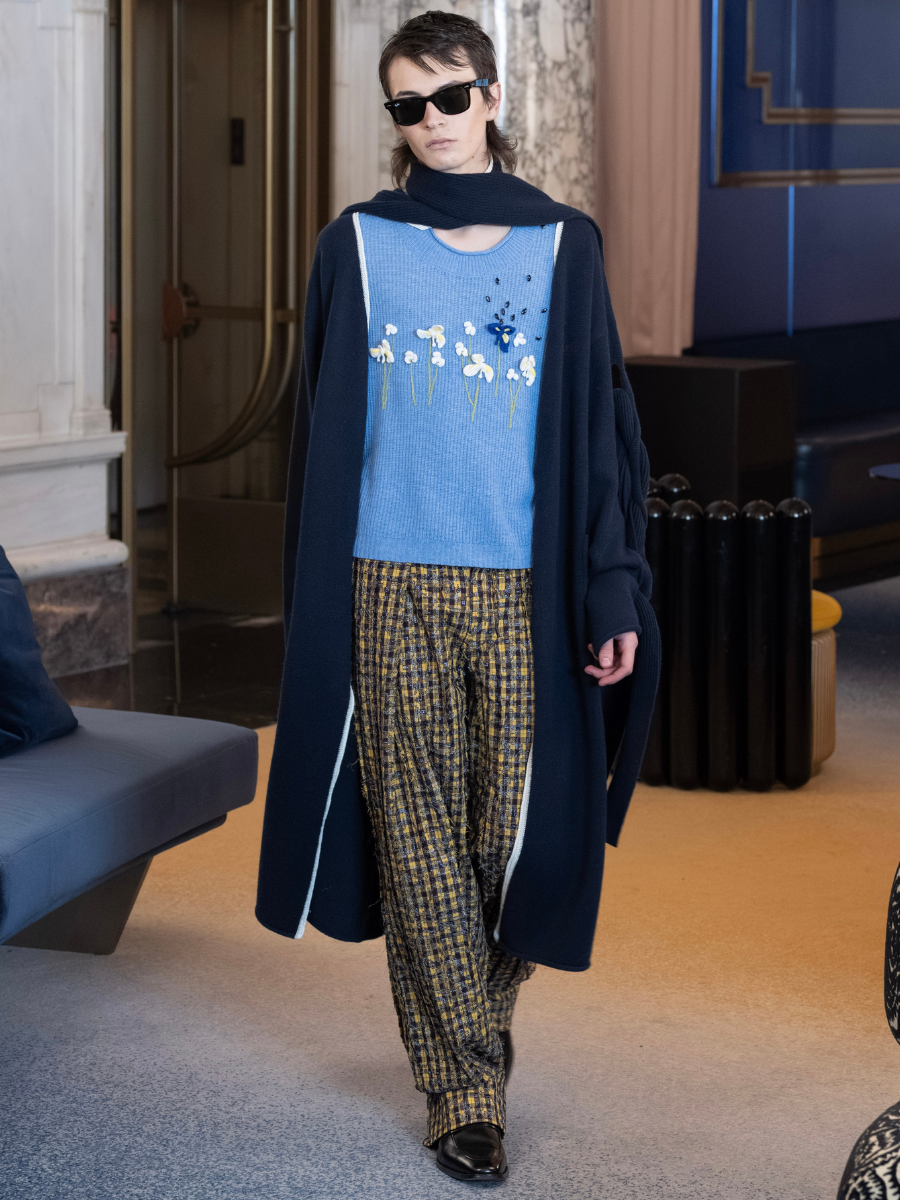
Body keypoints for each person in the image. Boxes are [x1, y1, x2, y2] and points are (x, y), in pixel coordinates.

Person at [256, 10, 660, 1184]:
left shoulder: (565, 246)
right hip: (387, 581)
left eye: (447, 96)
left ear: (490, 97)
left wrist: (613, 587)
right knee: (418, 837)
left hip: (525, 588)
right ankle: (465, 1089)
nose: (429, 120)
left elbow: (604, 443)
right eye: (407, 104)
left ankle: (467, 1027)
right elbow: (319, 436)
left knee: (511, 839)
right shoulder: (356, 246)